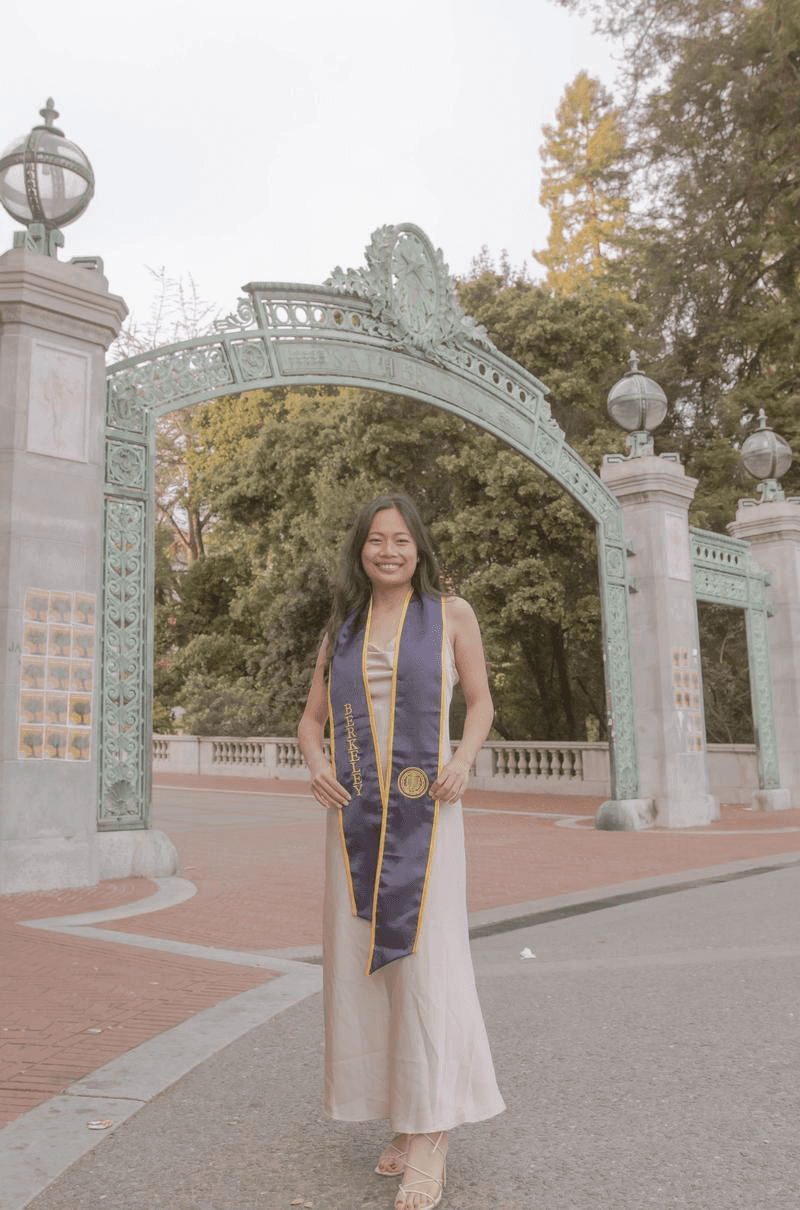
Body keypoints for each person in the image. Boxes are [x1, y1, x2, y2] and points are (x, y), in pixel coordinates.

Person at [298, 493, 505, 1210]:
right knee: (369, 969)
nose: (388, 551)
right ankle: (406, 1116)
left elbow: (480, 702)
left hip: (429, 816)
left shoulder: (451, 615)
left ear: (418, 548)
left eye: (401, 540)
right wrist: (317, 764)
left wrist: (465, 759)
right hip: (353, 824)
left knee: (425, 966)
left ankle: (433, 1131)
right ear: (361, 550)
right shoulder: (343, 630)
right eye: (376, 540)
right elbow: (311, 722)